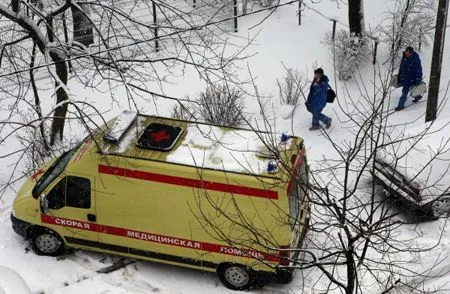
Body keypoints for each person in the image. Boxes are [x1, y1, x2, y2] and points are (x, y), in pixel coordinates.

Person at [395, 46, 423, 111]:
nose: (406, 55)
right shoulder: (404, 56)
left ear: (411, 53)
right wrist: (400, 76)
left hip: (412, 78)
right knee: (406, 91)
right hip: (405, 78)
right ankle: (401, 105)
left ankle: (417, 97)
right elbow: (401, 67)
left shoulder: (415, 59)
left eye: (408, 54)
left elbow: (418, 69)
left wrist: (418, 78)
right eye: (405, 53)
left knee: (410, 91)